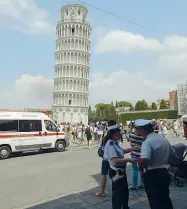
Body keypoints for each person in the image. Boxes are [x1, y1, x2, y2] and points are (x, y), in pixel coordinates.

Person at [135, 119, 173, 209]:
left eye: (138, 129)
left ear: (143, 130)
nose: (137, 131)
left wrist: (140, 168)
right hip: (164, 172)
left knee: (155, 200)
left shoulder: (147, 142)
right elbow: (172, 154)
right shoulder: (163, 139)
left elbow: (144, 159)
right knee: (165, 198)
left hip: (152, 174)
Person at [104, 120, 139, 209]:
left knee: (124, 191)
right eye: (118, 133)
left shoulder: (115, 142)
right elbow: (115, 159)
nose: (120, 134)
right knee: (118, 194)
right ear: (113, 134)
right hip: (116, 172)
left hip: (121, 171)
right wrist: (128, 159)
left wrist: (133, 148)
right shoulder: (110, 144)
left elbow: (121, 151)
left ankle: (125, 207)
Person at [95, 132, 109, 197]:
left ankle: (102, 192)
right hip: (114, 158)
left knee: (104, 175)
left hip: (106, 158)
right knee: (115, 175)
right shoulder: (116, 133)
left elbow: (100, 145)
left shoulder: (104, 134)